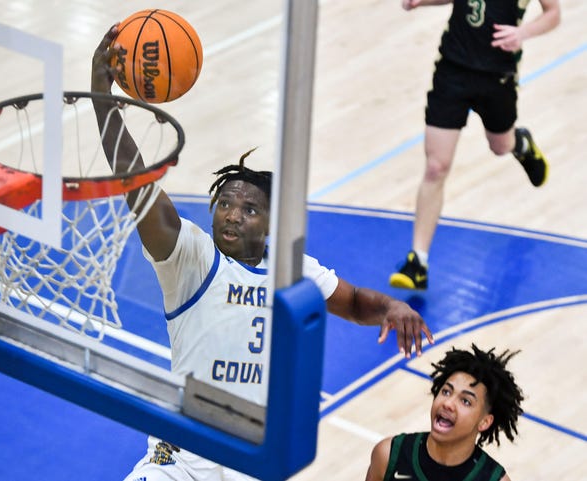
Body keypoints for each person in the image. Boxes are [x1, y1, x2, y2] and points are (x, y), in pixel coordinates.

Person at [91, 25, 434, 481]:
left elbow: (351, 303)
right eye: (225, 204)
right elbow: (138, 185)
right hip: (183, 458)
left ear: (271, 222)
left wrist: (392, 306)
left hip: (252, 460)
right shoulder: (191, 259)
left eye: (249, 208)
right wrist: (102, 99)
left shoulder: (293, 270)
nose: (232, 215)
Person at [389, 0, 561, 290]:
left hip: (496, 76)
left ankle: (520, 144)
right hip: (453, 70)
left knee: (500, 145)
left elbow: (553, 14)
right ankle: (417, 261)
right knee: (435, 166)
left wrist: (523, 33)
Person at [364, 344, 524, 481]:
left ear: (485, 422)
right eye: (446, 391)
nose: (448, 403)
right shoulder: (389, 455)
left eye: (465, 401)